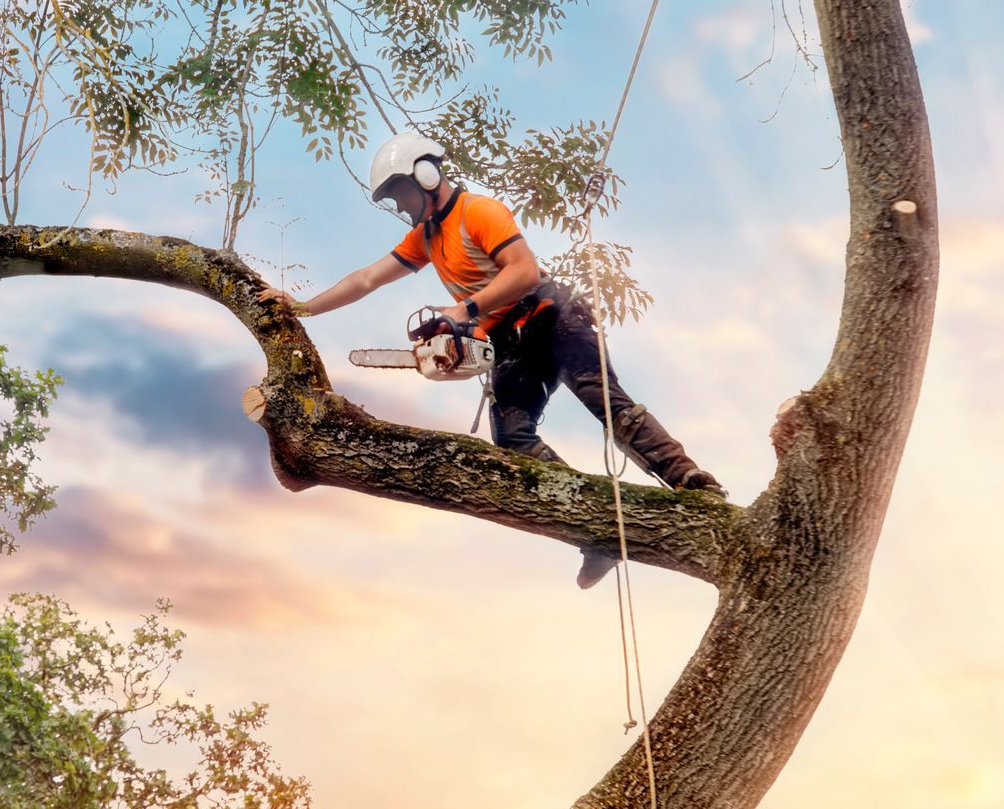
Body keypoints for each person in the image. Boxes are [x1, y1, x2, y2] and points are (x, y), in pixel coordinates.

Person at [258, 131, 723, 589]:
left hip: (549, 315)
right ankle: (595, 526)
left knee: (603, 398)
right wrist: (301, 307)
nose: (399, 208)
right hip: (509, 341)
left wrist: (465, 311)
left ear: (424, 174)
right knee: (513, 437)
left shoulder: (478, 212)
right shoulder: (426, 238)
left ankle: (692, 483)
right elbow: (365, 279)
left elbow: (522, 271)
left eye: (400, 195)